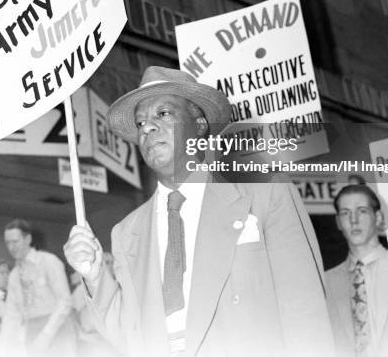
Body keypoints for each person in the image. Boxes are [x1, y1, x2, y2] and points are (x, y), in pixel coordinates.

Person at [64, 66, 335, 357]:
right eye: (140, 123)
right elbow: (130, 334)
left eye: (163, 114)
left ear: (200, 124)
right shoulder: (127, 232)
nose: (148, 128)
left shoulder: (264, 192)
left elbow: (306, 313)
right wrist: (93, 276)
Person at [326, 184, 388, 357]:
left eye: (362, 211)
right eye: (345, 213)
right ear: (338, 222)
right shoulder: (327, 282)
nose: (353, 219)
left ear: (378, 217)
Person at [1, 218, 76, 356]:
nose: (12, 247)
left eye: (15, 241)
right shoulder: (14, 276)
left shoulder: (49, 261)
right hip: (32, 331)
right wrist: (5, 344)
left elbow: (64, 302)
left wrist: (46, 335)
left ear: (28, 239)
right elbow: (11, 314)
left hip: (58, 329)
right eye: (8, 243)